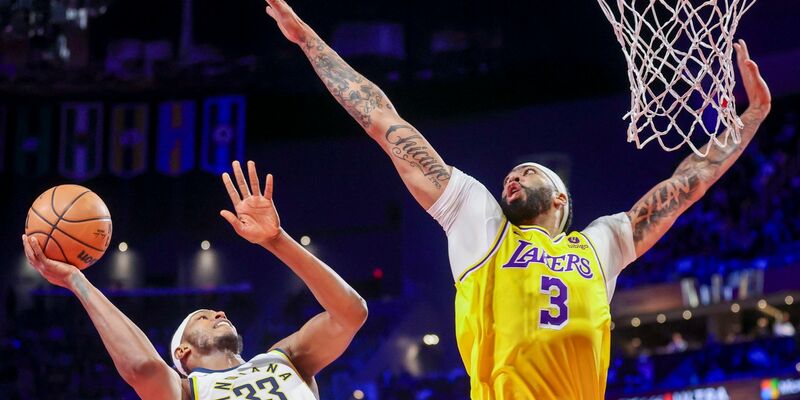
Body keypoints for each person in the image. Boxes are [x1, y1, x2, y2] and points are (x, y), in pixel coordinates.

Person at [263, 0, 771, 397]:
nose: (513, 178)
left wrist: (749, 119)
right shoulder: (482, 225)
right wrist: (308, 41)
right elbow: (385, 121)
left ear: (560, 199)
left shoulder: (599, 247)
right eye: (510, 174)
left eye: (527, 173)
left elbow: (686, 184)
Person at [21, 160, 368, 400]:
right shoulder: (188, 391)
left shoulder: (286, 359)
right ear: (182, 353)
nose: (217, 313)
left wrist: (276, 241)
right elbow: (142, 367)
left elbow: (351, 313)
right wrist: (78, 282)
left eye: (213, 313)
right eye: (202, 317)